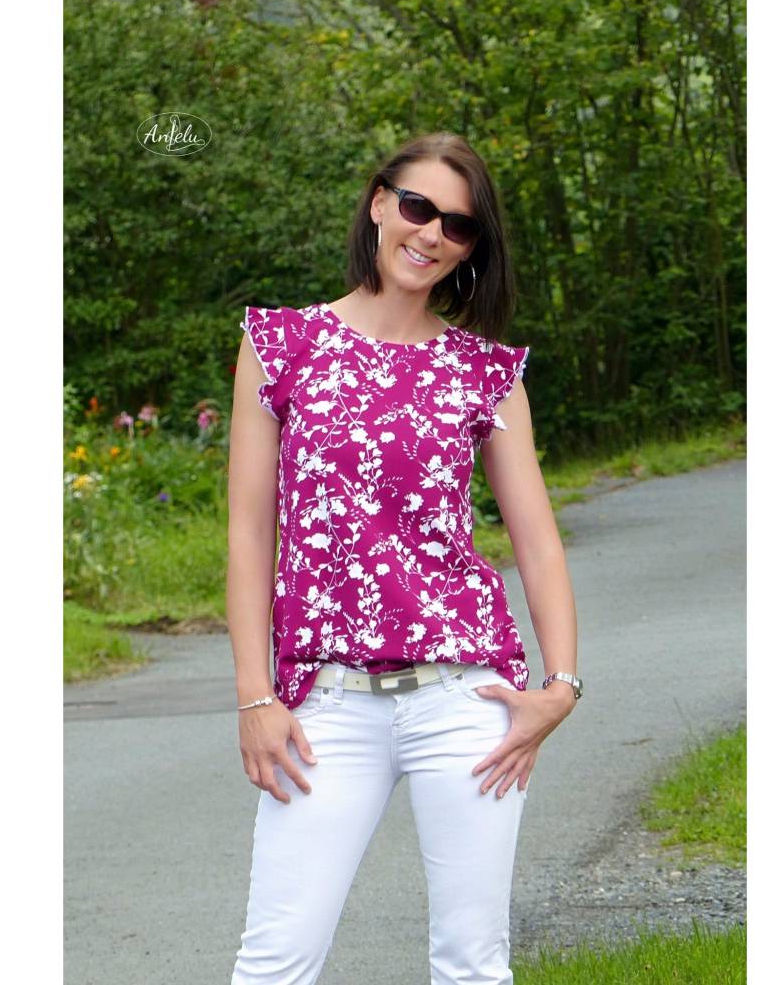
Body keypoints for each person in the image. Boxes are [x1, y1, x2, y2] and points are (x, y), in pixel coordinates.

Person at [226, 131, 582, 985]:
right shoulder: (282, 344)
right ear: (380, 202)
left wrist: (561, 687)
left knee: (472, 963)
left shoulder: (484, 372)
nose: (432, 235)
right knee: (275, 961)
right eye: (419, 207)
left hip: (466, 701)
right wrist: (255, 697)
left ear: (472, 247)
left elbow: (536, 539)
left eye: (458, 225)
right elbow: (248, 532)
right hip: (324, 704)